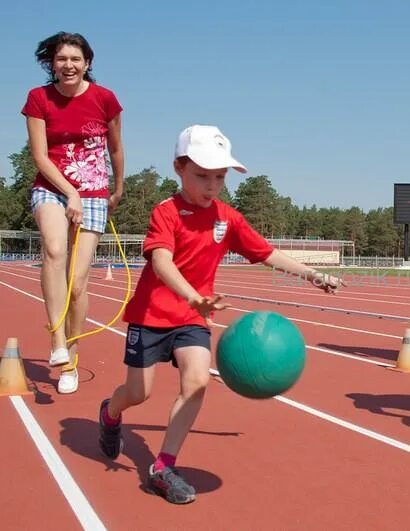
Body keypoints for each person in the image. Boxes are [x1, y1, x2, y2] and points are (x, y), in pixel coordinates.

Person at [97, 125, 343, 504]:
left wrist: (312, 275)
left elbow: (265, 252)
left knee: (197, 382)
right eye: (202, 175)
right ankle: (111, 414)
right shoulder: (166, 212)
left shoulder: (227, 218)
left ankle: (163, 466)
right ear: (178, 168)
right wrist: (192, 295)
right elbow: (161, 261)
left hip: (194, 317)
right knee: (138, 393)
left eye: (219, 177)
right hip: (151, 315)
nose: (212, 185)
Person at [22, 31, 124, 394]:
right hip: (51, 187)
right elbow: (39, 155)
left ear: (87, 63)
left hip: (95, 192)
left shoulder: (105, 99)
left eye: (75, 59)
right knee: (53, 249)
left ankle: (72, 357)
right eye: (61, 59)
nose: (68, 65)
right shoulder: (38, 98)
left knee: (78, 285)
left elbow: (115, 147)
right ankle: (57, 343)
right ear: (51, 63)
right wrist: (69, 193)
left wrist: (119, 188)